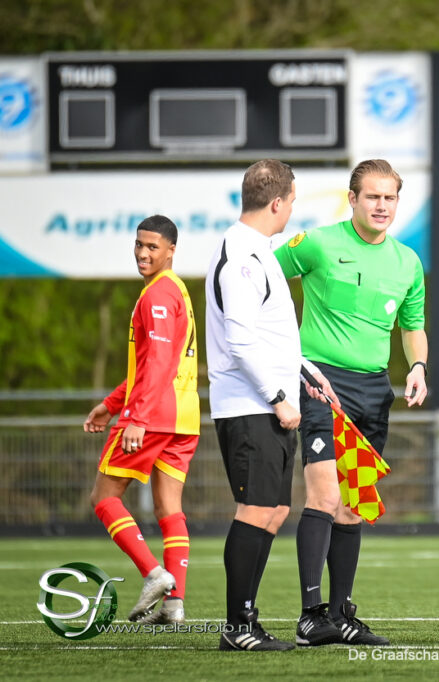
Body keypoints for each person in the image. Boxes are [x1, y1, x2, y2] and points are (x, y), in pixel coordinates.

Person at [274, 158, 427, 647]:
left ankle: (339, 614)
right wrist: (283, 354)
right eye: (373, 196)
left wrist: (418, 367)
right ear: (353, 199)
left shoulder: (408, 261)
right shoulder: (317, 243)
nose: (382, 205)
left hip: (375, 389)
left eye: (390, 197)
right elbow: (262, 281)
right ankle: (309, 616)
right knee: (323, 496)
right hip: (320, 382)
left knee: (354, 507)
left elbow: (413, 325)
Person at [206, 159, 334, 652]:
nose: (292, 211)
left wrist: (306, 372)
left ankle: (246, 621)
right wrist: (279, 397)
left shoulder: (258, 251)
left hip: (268, 402)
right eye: (293, 202)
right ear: (277, 203)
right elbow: (240, 342)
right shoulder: (242, 257)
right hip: (251, 405)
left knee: (276, 509)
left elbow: (268, 335)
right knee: (257, 509)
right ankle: (237, 627)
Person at [84, 215, 200, 625]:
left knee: (103, 497)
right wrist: (112, 403)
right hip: (184, 419)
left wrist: (135, 417)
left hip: (154, 417)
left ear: (171, 250)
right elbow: (150, 363)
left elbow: (160, 365)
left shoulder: (156, 296)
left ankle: (153, 573)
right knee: (170, 509)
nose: (143, 253)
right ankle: (173, 605)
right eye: (139, 245)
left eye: (153, 247)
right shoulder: (177, 291)